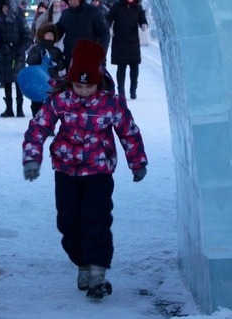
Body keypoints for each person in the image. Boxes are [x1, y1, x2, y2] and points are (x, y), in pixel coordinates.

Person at [21, 39, 148, 299]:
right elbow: (39, 127)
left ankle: (97, 273)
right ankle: (82, 263)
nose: (82, 90)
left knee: (97, 221)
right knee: (68, 223)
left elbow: (129, 132)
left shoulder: (110, 103)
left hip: (98, 171)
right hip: (66, 171)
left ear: (98, 80)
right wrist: (32, 157)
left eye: (88, 85)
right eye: (78, 85)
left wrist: (137, 162)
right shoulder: (60, 100)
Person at [0, 0, 32, 117]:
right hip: (5, 57)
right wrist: (1, 50)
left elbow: (27, 38)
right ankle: (9, 108)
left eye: (6, 7)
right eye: (2, 7)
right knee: (7, 82)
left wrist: (19, 50)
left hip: (17, 57)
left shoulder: (20, 21)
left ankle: (19, 108)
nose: (5, 10)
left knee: (18, 82)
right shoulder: (0, 23)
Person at [106, 0, 148, 99]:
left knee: (134, 66)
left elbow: (142, 19)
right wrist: (108, 27)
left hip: (132, 41)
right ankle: (121, 90)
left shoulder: (137, 8)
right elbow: (109, 18)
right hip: (120, 41)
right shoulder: (117, 6)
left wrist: (144, 24)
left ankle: (133, 89)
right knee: (121, 67)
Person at [56, 0, 110, 67]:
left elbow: (104, 34)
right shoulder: (66, 14)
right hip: (71, 59)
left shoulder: (93, 12)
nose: (72, 1)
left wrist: (101, 54)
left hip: (91, 58)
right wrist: (47, 33)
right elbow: (57, 32)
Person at [25, 22, 66, 116]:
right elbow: (29, 60)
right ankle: (36, 123)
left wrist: (57, 63)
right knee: (36, 104)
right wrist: (39, 56)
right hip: (37, 80)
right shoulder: (36, 48)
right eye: (47, 34)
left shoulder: (56, 51)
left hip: (52, 81)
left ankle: (48, 125)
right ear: (42, 35)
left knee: (51, 105)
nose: (49, 36)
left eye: (51, 34)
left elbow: (62, 66)